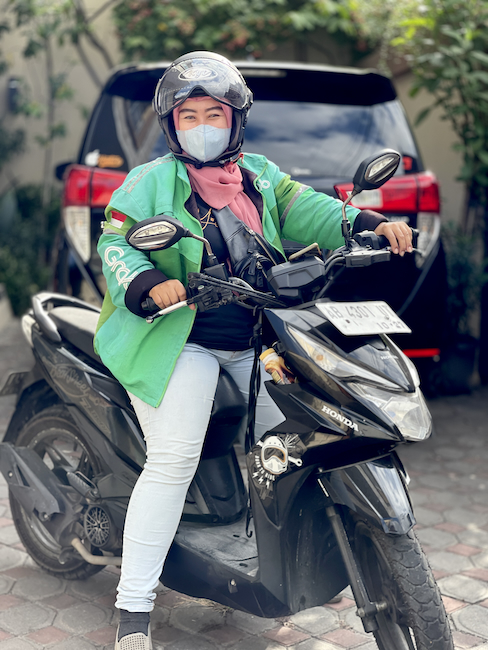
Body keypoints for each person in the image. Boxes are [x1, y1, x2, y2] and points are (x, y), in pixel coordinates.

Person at [94, 51, 413, 650]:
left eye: (214, 114)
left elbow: (310, 210)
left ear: (236, 120)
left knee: (296, 442)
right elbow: (116, 243)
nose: (202, 126)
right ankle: (133, 609)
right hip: (179, 339)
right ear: (172, 126)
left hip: (256, 339)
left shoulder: (259, 176)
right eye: (189, 116)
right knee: (174, 459)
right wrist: (147, 282)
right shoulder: (149, 181)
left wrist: (367, 223)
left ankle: (276, 562)